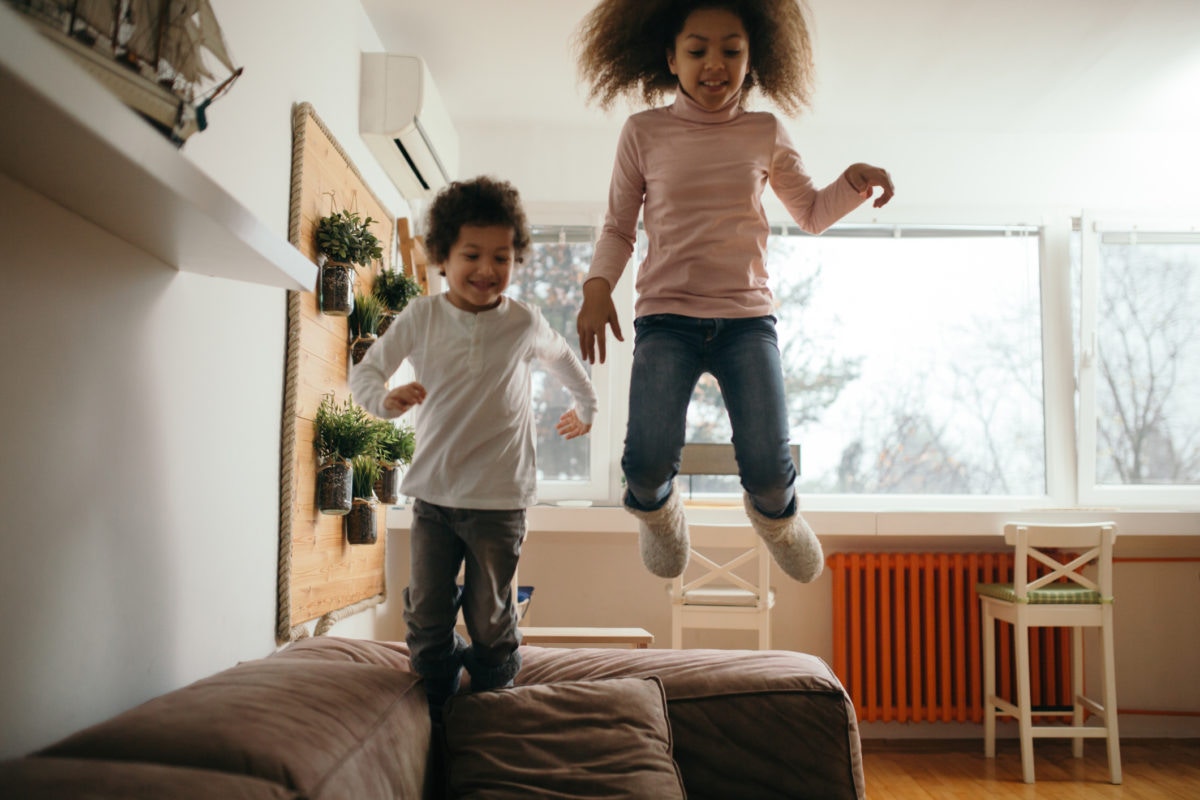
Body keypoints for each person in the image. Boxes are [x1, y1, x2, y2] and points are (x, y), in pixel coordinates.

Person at [574, 0, 894, 583]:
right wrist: (598, 287)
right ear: (671, 58)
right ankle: (660, 515)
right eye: (697, 50)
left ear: (753, 58)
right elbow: (619, 229)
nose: (714, 63)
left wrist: (853, 182)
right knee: (643, 467)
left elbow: (812, 212)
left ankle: (780, 521)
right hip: (666, 320)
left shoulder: (763, 131)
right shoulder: (643, 132)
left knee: (769, 472)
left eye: (731, 50)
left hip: (747, 324)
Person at [350, 176, 598, 719]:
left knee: (491, 620)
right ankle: (439, 703)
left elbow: (564, 360)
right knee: (427, 618)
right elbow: (365, 373)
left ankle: (491, 701)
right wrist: (385, 401)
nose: (487, 269)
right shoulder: (422, 317)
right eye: (471, 255)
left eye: (500, 257)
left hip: (500, 501)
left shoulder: (523, 322)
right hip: (434, 498)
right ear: (442, 256)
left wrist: (587, 407)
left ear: (515, 258)